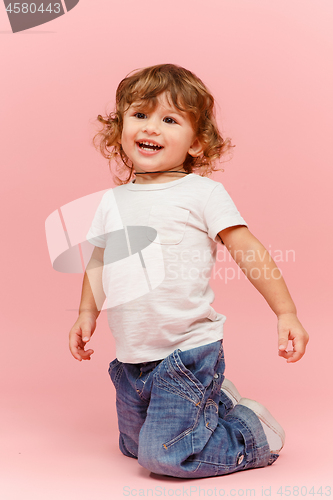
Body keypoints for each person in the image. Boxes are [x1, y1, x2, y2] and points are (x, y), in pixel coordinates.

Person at [68, 64, 309, 478]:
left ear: (196, 142)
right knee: (131, 446)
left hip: (187, 351)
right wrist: (86, 312)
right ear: (120, 127)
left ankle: (253, 431)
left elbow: (247, 249)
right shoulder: (112, 201)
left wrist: (286, 312)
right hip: (133, 356)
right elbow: (100, 259)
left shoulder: (203, 193)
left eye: (169, 119)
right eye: (140, 115)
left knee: (164, 457)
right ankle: (213, 403)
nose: (152, 127)